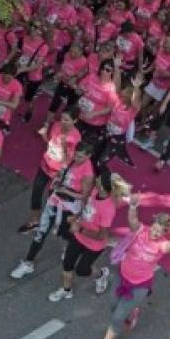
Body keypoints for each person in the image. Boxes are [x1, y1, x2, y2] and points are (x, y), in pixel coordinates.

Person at [85, 198, 170, 339]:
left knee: (116, 318)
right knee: (113, 307)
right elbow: (132, 220)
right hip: (122, 277)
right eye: (154, 228)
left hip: (139, 286)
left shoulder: (161, 245)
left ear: (164, 233)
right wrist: (132, 206)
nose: (154, 233)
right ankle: (133, 311)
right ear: (151, 224)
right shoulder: (140, 231)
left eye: (159, 232)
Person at [11, 143, 96, 279]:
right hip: (55, 200)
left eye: (80, 156)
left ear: (88, 156)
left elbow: (84, 195)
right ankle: (28, 262)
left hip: (69, 207)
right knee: (41, 232)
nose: (76, 158)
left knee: (64, 233)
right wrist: (57, 180)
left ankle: (66, 248)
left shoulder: (88, 173)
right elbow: (61, 173)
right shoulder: (71, 160)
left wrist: (66, 191)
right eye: (76, 154)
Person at [48, 170, 127, 301]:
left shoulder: (108, 209)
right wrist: (77, 217)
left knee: (82, 270)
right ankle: (66, 290)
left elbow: (102, 235)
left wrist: (79, 229)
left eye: (99, 179)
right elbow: (86, 208)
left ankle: (101, 275)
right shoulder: (95, 192)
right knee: (67, 263)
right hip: (79, 236)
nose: (96, 179)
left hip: (93, 245)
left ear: (102, 187)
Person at [19, 108, 81, 234]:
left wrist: (64, 146)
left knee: (52, 199)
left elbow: (68, 160)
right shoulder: (56, 125)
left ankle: (48, 223)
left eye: (66, 120)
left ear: (75, 121)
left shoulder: (75, 138)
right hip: (45, 164)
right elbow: (50, 144)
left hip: (58, 172)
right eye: (62, 118)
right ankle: (35, 220)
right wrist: (43, 135)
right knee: (36, 190)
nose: (62, 122)